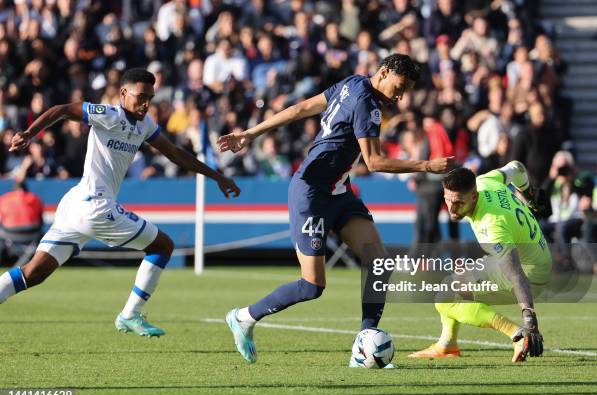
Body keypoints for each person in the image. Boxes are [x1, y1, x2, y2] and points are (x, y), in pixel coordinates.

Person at [218, 54, 455, 365]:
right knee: (312, 286)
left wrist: (251, 132)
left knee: (379, 264)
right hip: (311, 194)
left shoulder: (353, 82)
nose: (400, 97)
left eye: (405, 91)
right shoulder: (366, 104)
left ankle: (363, 345)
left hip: (339, 192)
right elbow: (374, 162)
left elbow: (299, 109)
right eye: (399, 87)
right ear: (383, 72)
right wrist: (426, 165)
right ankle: (244, 317)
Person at [0, 68, 241, 337]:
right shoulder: (109, 115)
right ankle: (131, 314)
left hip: (77, 205)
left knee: (33, 273)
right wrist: (30, 133)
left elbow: (174, 153)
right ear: (124, 94)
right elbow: (62, 109)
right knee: (163, 246)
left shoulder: (145, 124)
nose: (146, 103)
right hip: (95, 207)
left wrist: (217, 176)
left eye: (150, 97)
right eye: (140, 96)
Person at [409, 162, 550, 362]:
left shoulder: (491, 226)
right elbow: (517, 167)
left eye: (458, 202)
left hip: (531, 274)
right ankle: (446, 345)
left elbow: (516, 274)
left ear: (474, 196)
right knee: (455, 281)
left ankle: (517, 335)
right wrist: (530, 196)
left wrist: (531, 323)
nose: (451, 208)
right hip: (536, 255)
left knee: (444, 298)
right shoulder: (485, 181)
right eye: (447, 200)